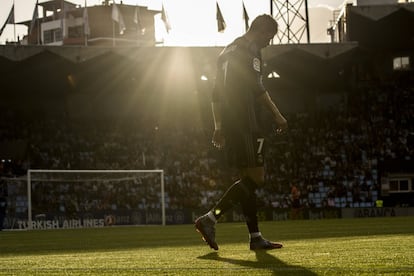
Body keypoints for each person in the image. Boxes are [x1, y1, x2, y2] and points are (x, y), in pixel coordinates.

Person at [195, 14, 288, 250]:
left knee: (247, 180)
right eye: (270, 36)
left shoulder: (226, 50)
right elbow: (257, 87)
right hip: (246, 120)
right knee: (257, 178)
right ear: (263, 30)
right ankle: (210, 218)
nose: (269, 42)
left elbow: (215, 93)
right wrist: (277, 114)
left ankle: (255, 237)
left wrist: (218, 126)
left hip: (230, 120)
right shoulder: (250, 50)